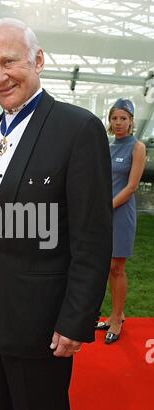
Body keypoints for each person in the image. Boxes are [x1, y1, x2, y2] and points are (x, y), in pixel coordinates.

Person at [0, 18, 113, 410]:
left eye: (9, 61)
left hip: (42, 322)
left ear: (37, 60)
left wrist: (76, 320)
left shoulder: (78, 128)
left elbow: (92, 238)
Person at [95, 98, 146, 344]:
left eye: (123, 118)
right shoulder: (107, 146)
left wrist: (106, 207)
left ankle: (116, 319)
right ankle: (118, 313)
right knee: (105, 267)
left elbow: (132, 186)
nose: (118, 123)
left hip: (121, 214)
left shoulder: (137, 147)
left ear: (131, 121)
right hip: (104, 212)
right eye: (114, 118)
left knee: (117, 267)